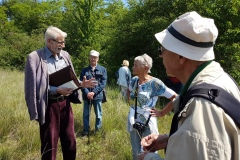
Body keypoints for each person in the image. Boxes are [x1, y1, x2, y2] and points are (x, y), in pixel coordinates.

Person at [139, 11, 240, 160]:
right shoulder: (221, 79)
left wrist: (149, 158)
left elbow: (199, 137)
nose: (160, 56)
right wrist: (171, 140)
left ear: (180, 56)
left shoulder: (201, 108)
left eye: (162, 50)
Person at [24, 26, 95, 160]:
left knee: (70, 142)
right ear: (49, 41)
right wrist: (56, 90)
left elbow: (70, 78)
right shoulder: (34, 58)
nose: (63, 45)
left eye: (63, 42)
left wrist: (81, 84)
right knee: (50, 145)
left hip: (66, 104)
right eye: (60, 42)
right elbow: (31, 87)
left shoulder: (65, 55)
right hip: (49, 106)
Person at [127, 53, 177, 160]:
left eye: (135, 65)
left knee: (147, 152)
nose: (133, 67)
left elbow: (175, 97)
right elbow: (129, 91)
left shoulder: (155, 84)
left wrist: (162, 112)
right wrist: (132, 106)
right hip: (133, 121)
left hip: (147, 123)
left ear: (145, 68)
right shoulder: (134, 80)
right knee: (135, 153)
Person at [80, 50, 107, 136]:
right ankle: (85, 130)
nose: (93, 59)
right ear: (89, 58)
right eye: (92, 57)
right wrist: (88, 93)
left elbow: (103, 83)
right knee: (86, 114)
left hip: (98, 96)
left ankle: (98, 131)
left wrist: (93, 93)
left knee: (99, 115)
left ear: (98, 59)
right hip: (86, 96)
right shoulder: (84, 70)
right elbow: (81, 83)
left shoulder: (103, 70)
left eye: (95, 57)